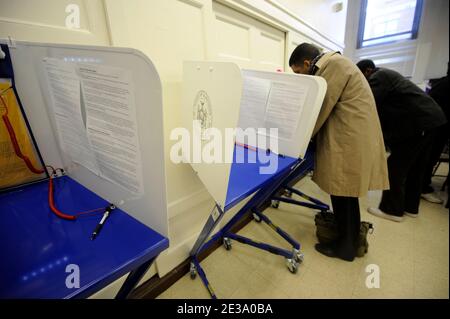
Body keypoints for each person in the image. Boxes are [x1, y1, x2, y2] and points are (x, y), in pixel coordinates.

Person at [289, 44, 389, 262]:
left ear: (307, 63)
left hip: (349, 140)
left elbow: (321, 108)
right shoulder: (337, 63)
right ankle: (349, 242)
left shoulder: (333, 65)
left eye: (298, 72)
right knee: (346, 196)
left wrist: (296, 138)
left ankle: (345, 247)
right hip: (351, 137)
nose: (300, 77)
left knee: (343, 194)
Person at [356, 59, 447, 222]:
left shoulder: (379, 76)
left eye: (360, 76)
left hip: (418, 123)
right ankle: (411, 208)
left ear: (368, 71)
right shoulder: (390, 75)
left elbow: (367, 103)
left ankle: (392, 210)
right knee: (416, 167)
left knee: (395, 167)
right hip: (430, 121)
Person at [421, 66, 449, 204]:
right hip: (436, 127)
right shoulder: (445, 85)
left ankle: (422, 186)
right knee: (428, 158)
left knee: (429, 158)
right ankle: (422, 187)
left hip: (435, 126)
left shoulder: (440, 84)